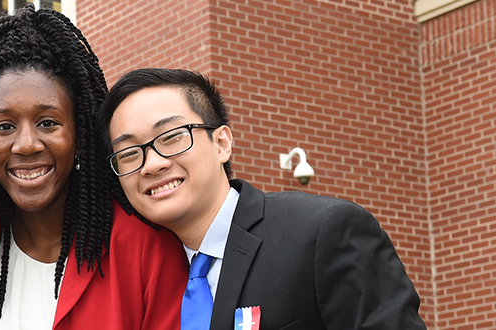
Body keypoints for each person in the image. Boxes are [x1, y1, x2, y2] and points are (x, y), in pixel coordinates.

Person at [99, 68, 426, 329]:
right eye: (129, 154)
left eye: (171, 138)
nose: (153, 164)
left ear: (222, 143)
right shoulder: (140, 274)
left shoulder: (322, 232)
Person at [0, 4, 187, 329]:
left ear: (80, 134)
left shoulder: (144, 247)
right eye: (4, 126)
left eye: (47, 122)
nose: (26, 144)